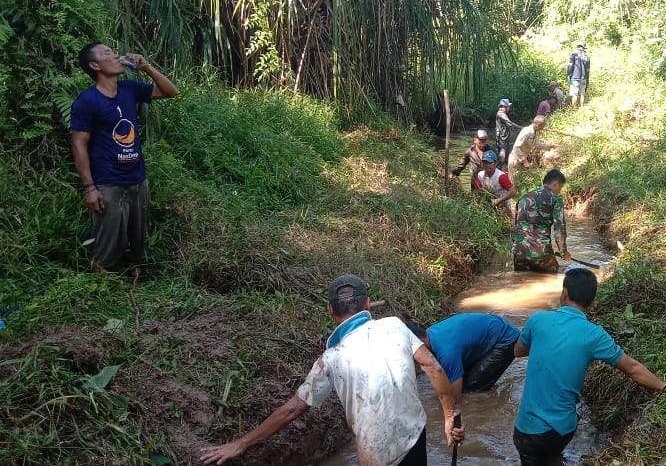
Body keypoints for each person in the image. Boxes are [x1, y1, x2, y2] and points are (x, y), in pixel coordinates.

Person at [201, 274, 464, 465]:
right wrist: (449, 416)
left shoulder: (330, 359)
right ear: (368, 304)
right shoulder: (395, 325)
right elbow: (433, 366)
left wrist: (242, 443)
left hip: (375, 453)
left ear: (330, 310)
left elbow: (292, 409)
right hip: (413, 435)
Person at [512, 268, 666, 465]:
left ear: (564, 293)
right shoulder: (595, 335)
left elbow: (518, 352)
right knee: (553, 454)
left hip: (529, 432)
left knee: (534, 452)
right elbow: (632, 368)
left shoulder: (538, 320)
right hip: (563, 430)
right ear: (592, 302)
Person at [71, 42, 179, 272]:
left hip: (138, 179)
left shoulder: (129, 89)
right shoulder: (87, 101)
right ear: (94, 65)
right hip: (109, 183)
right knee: (106, 246)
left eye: (113, 51)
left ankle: (132, 279)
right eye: (107, 53)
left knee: (136, 242)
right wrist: (90, 188)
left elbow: (171, 91)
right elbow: (79, 144)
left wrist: (147, 68)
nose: (116, 55)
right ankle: (99, 283)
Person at [405, 313, 521, 410]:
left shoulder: (446, 352)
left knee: (471, 391)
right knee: (459, 380)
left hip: (505, 338)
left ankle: (487, 409)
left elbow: (456, 398)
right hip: (492, 329)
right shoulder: (430, 334)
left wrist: (453, 414)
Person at [512, 169, 569, 273]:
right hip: (540, 253)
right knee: (554, 276)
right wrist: (563, 252)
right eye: (561, 187)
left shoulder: (523, 198)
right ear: (556, 183)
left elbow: (517, 225)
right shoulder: (556, 199)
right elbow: (559, 229)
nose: (560, 190)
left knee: (520, 280)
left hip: (519, 251)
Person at [475, 151, 518, 218]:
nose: (487, 165)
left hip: (504, 205)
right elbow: (479, 190)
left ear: (495, 163)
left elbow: (513, 192)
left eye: (489, 163)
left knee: (506, 224)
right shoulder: (480, 175)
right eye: (485, 162)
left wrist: (499, 200)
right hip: (490, 203)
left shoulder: (501, 177)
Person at [495, 99, 523, 170]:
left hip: (504, 139)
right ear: (504, 106)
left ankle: (503, 173)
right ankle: (498, 173)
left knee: (505, 158)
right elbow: (509, 123)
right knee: (502, 158)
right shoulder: (501, 114)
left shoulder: (502, 114)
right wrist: (521, 128)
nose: (509, 108)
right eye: (508, 106)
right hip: (502, 139)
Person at [566, 42, 590, 107]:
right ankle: (582, 107)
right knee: (582, 93)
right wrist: (587, 80)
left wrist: (568, 74)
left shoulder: (573, 54)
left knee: (575, 94)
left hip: (575, 77)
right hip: (584, 77)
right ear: (583, 47)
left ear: (577, 46)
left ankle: (573, 109)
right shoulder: (587, 56)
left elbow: (570, 65)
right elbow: (588, 69)